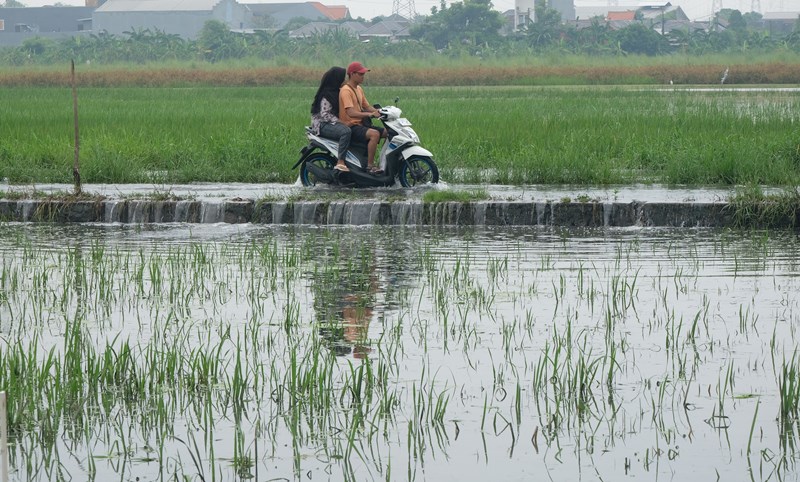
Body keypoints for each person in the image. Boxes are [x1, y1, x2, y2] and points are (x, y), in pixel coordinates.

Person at [339, 61, 386, 174]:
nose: (363, 76)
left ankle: (384, 162)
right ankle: (369, 166)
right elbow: (350, 112)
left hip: (361, 124)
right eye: (360, 74)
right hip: (351, 125)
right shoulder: (346, 90)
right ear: (352, 74)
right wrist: (370, 114)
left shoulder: (358, 89)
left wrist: (381, 111)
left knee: (388, 132)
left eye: (363, 74)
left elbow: (366, 106)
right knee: (374, 134)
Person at [311, 66, 351, 172]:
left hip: (331, 122)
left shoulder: (338, 92)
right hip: (322, 124)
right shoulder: (327, 95)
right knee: (345, 132)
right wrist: (342, 122)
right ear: (337, 80)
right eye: (343, 79)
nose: (345, 81)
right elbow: (325, 115)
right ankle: (341, 161)